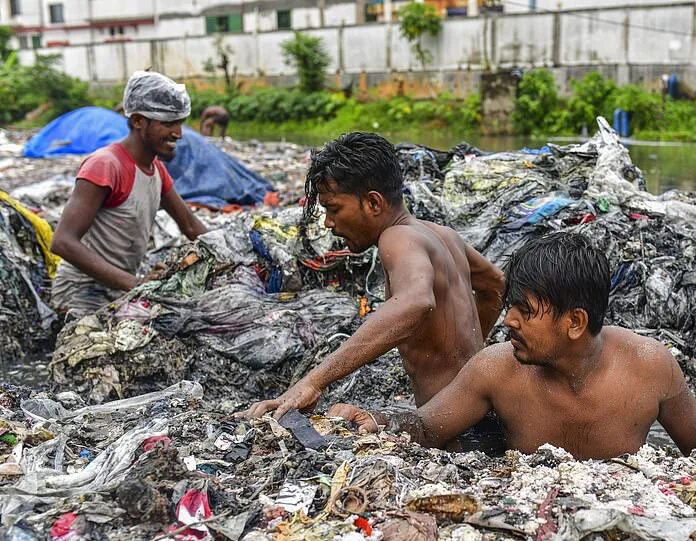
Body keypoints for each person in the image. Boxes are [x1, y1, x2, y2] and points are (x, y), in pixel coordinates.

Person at [329, 232, 696, 460]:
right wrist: (379, 421)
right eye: (510, 306)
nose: (508, 321)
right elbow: (429, 428)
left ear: (574, 322)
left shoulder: (650, 367)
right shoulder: (497, 369)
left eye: (526, 311)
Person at [240, 132, 505, 420]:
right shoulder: (443, 235)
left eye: (334, 209)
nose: (328, 222)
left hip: (453, 426)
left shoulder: (397, 237)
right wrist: (470, 360)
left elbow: (416, 301)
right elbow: (496, 285)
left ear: (373, 203)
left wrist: (313, 381)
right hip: (478, 413)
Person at [51, 71, 207, 316]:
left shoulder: (156, 171)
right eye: (167, 123)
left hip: (119, 288)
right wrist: (136, 284)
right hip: (82, 293)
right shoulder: (105, 165)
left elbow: (190, 226)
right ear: (137, 121)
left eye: (179, 122)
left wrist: (234, 253)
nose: (178, 133)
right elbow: (63, 242)